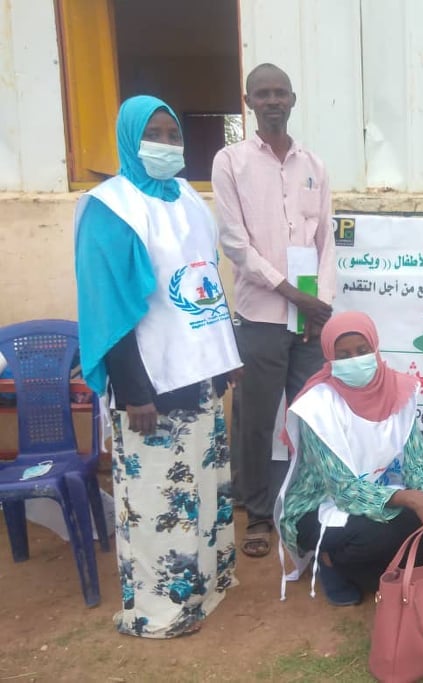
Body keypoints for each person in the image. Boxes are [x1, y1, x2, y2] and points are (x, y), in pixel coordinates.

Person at [74, 96, 242, 638]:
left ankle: (204, 589)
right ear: (129, 139)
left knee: (203, 489)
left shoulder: (188, 198)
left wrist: (224, 358)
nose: (167, 145)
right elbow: (108, 307)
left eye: (174, 135)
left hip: (198, 377)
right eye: (155, 134)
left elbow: (204, 279)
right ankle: (160, 610)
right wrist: (134, 391)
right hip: (149, 384)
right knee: (159, 501)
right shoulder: (111, 208)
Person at [212, 63, 335, 558]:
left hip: (309, 321)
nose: (272, 101)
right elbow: (234, 243)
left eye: (280, 92)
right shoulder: (230, 162)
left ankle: (307, 510)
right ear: (248, 102)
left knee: (311, 419)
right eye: (262, 94)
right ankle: (259, 515)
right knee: (257, 422)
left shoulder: (314, 165)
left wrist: (320, 305)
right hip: (260, 315)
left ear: (293, 99)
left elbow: (326, 240)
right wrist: (291, 293)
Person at [275, 312, 423, 606]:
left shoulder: (399, 392)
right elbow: (344, 490)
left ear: (375, 348)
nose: (355, 361)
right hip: (322, 506)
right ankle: (331, 562)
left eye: (362, 351)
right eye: (343, 355)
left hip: (385, 495)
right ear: (329, 357)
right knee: (378, 537)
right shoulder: (316, 407)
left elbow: (417, 466)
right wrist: (411, 498)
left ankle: (377, 573)